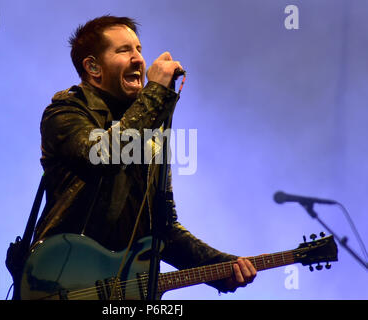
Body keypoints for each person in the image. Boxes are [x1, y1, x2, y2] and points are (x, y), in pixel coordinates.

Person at [32, 15, 256, 298]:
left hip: (122, 292)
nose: (138, 59)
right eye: (124, 50)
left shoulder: (149, 130)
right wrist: (156, 93)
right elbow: (104, 157)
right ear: (92, 66)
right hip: (62, 283)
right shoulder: (66, 112)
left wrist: (223, 268)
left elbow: (164, 230)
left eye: (139, 49)